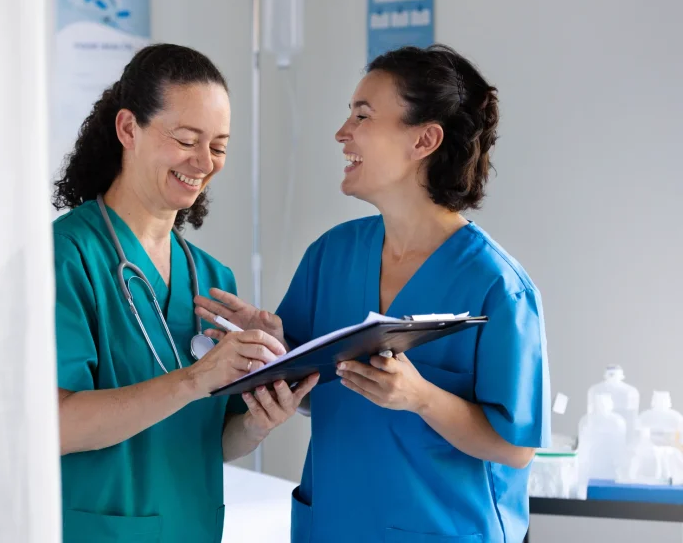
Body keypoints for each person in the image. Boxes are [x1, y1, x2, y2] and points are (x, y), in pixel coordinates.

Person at [195, 44, 550, 542]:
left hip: (442, 530)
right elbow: (311, 396)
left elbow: (516, 447)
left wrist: (421, 397)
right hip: (336, 524)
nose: (343, 133)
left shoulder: (498, 287)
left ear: (424, 139)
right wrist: (280, 349)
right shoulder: (331, 256)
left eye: (362, 115)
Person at [51, 43, 319, 543]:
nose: (203, 162)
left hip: (193, 527)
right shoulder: (68, 257)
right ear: (128, 129)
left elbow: (209, 441)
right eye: (186, 140)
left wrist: (264, 417)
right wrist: (196, 378)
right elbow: (56, 426)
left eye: (218, 146)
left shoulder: (212, 281)